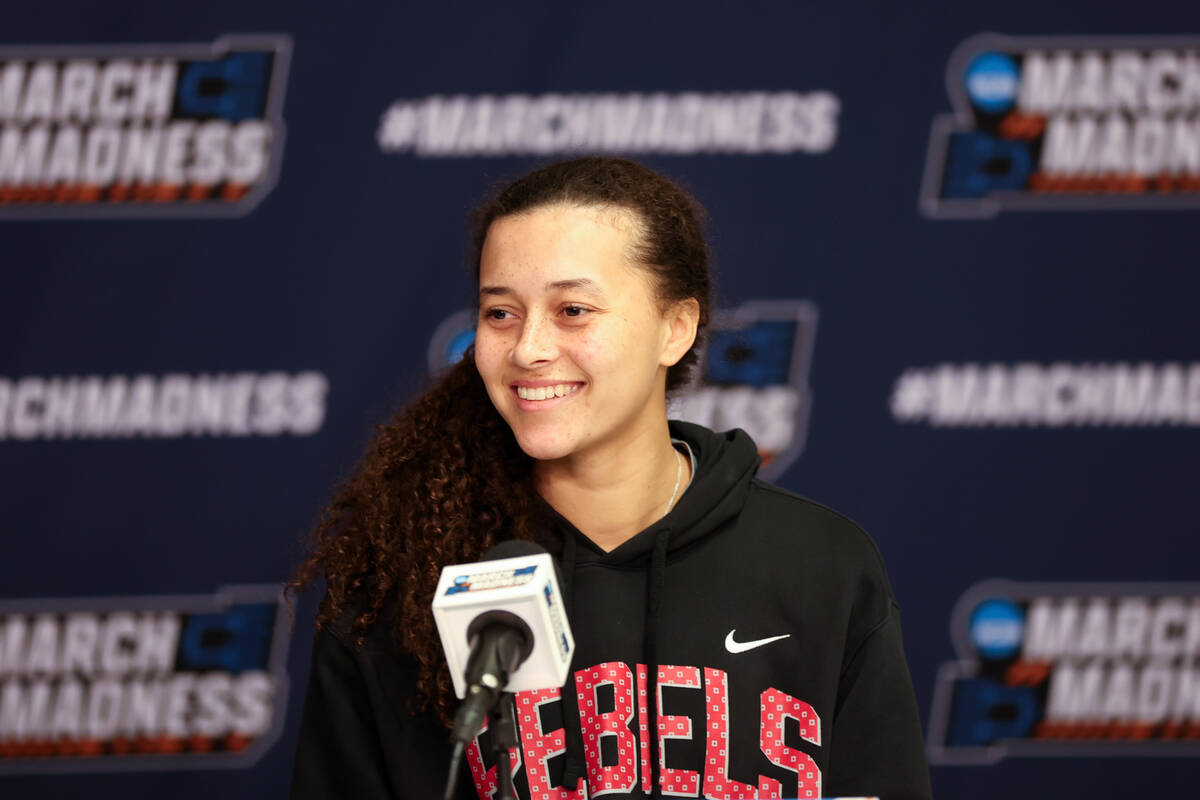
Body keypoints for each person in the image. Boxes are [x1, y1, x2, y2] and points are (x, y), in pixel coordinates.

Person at [289, 157, 932, 800]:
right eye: (500, 314)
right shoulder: (401, 577)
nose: (529, 348)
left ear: (675, 327)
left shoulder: (821, 563)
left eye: (572, 309)